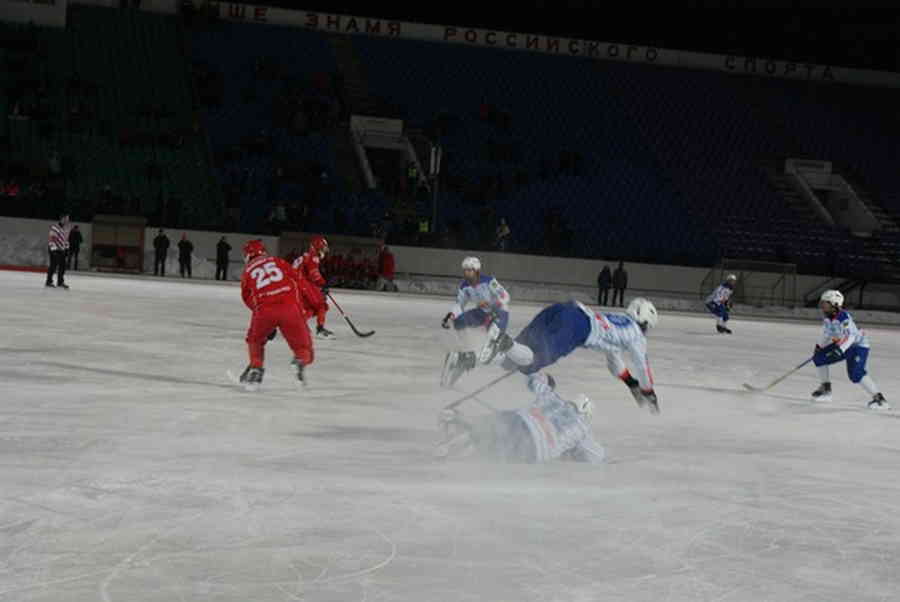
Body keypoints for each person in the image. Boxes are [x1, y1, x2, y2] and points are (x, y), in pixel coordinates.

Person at [488, 298, 661, 414]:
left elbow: (614, 360)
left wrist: (631, 383)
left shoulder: (617, 322)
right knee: (530, 362)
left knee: (514, 355)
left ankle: (474, 357)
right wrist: (648, 392)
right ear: (644, 322)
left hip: (565, 308)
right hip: (576, 327)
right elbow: (642, 367)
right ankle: (502, 340)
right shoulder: (636, 335)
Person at [435, 372, 605, 464]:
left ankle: (459, 422)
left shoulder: (551, 397)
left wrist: (547, 379)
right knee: (493, 450)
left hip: (520, 421)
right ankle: (457, 455)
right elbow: (595, 457)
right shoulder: (582, 429)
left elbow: (534, 379)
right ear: (586, 415)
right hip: (536, 448)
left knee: (488, 428)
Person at [238, 239, 313, 390]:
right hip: (290, 307)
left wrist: (260, 313)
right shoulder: (277, 261)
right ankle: (300, 360)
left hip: (265, 310)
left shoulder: (247, 272)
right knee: (304, 348)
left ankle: (255, 367)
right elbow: (298, 280)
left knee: (255, 339)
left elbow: (246, 297)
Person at [811, 289, 889, 410]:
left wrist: (840, 350)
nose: (822, 307)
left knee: (855, 374)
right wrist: (818, 347)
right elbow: (826, 334)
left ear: (834, 305)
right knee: (819, 358)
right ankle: (826, 391)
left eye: (825, 304)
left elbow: (850, 336)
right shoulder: (828, 318)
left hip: (858, 346)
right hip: (843, 345)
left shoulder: (843, 318)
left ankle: (880, 400)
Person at [440, 256, 511, 387]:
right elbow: (459, 305)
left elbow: (506, 296)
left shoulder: (489, 281)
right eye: (465, 270)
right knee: (459, 321)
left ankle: (482, 356)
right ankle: (465, 350)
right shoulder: (464, 286)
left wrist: (491, 303)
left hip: (499, 312)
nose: (466, 273)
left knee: (491, 346)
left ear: (477, 271)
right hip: (482, 313)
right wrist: (451, 316)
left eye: (469, 270)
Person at [293, 234, 334, 339]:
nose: (324, 251)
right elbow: (314, 274)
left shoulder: (306, 255)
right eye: (323, 248)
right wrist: (324, 284)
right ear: (318, 246)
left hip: (297, 285)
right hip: (302, 284)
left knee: (311, 308)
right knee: (322, 305)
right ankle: (320, 330)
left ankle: (297, 325)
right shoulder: (313, 256)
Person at [46, 214, 70, 289]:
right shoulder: (55, 227)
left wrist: (66, 249)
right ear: (62, 219)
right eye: (66, 219)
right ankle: (49, 281)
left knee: (63, 266)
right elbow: (51, 239)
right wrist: (53, 250)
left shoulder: (66, 228)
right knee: (53, 266)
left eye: (68, 219)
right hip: (54, 249)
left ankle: (60, 282)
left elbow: (66, 240)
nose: (68, 220)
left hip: (61, 249)